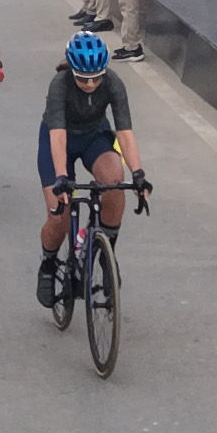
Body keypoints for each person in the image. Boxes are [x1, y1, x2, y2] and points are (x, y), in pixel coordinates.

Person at [35, 32, 150, 307]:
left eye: (96, 78)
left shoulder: (113, 83)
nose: (90, 84)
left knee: (115, 181)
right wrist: (61, 177)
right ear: (72, 70)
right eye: (83, 78)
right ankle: (48, 263)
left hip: (94, 135)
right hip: (59, 138)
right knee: (59, 215)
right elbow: (58, 137)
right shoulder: (60, 85)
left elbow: (125, 133)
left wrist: (138, 174)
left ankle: (106, 254)